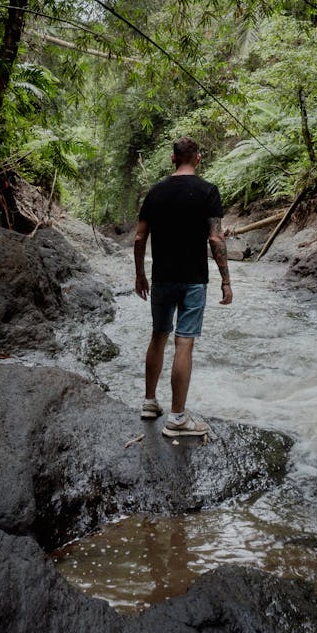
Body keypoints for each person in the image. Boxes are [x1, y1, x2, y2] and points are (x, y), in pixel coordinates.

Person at [134, 136, 232, 438]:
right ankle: (177, 418)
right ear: (198, 159)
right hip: (193, 280)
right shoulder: (208, 191)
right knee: (184, 343)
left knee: (158, 336)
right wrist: (226, 280)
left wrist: (140, 275)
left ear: (173, 159)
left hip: (162, 278)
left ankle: (150, 403)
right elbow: (215, 239)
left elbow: (139, 239)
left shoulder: (155, 192)